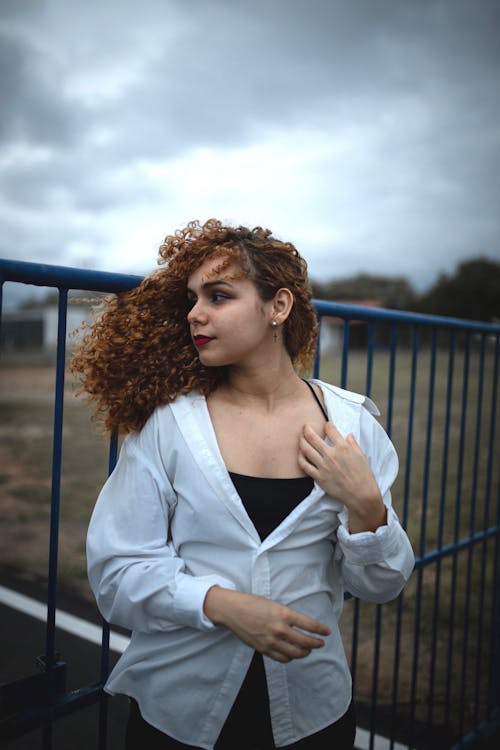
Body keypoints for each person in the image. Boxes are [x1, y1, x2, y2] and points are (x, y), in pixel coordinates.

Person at [72, 219, 414, 750]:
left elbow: (382, 585)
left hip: (312, 712)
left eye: (219, 296)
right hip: (179, 711)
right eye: (192, 299)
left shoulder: (353, 424)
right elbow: (117, 574)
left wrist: (366, 503)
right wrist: (223, 605)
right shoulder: (168, 425)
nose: (195, 314)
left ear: (278, 307)